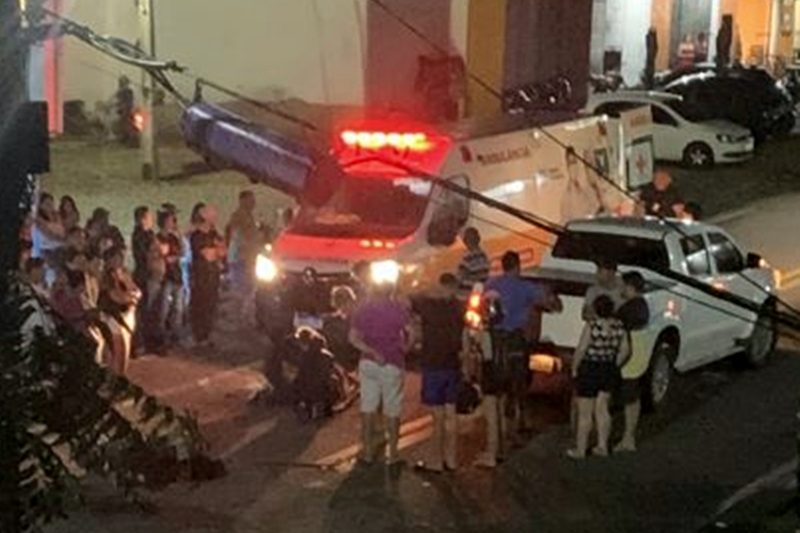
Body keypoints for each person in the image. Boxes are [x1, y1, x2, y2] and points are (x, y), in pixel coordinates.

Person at [476, 251, 562, 467]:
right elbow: (553, 305)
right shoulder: (526, 288)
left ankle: (498, 442)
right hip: (516, 342)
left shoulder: (490, 285)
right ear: (517, 266)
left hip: (494, 343)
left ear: (503, 265)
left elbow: (481, 311)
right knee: (515, 387)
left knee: (495, 394)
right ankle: (512, 431)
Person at [349, 278, 412, 466]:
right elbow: (411, 332)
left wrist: (371, 351)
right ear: (391, 291)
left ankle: (368, 452)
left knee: (368, 407)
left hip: (368, 362)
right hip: (392, 361)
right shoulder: (398, 309)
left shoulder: (363, 310)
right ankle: (392, 453)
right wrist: (406, 347)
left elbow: (353, 338)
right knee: (392, 408)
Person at [411, 273, 465, 472]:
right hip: (453, 363)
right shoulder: (459, 307)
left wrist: (429, 290)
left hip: (433, 363)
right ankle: (451, 459)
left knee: (437, 416)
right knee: (451, 414)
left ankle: (435, 461)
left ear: (440, 285)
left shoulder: (428, 305)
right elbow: (466, 335)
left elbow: (409, 298)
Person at [568, 295, 630, 459]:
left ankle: (580, 449)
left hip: (590, 368)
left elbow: (582, 349)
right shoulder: (619, 326)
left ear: (596, 309)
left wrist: (574, 368)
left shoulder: (592, 326)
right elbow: (625, 350)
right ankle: (602, 446)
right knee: (602, 409)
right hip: (608, 368)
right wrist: (615, 363)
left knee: (585, 412)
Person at [614, 271, 650, 453]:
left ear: (630, 287)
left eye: (622, 285)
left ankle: (628, 438)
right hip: (639, 358)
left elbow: (622, 336)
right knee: (633, 398)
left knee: (629, 399)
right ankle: (629, 435)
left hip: (629, 359)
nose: (620, 289)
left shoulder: (629, 309)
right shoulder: (642, 306)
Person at [190, 204, 226, 347]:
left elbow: (223, 251)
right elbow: (208, 255)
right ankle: (199, 337)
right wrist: (216, 250)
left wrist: (216, 250)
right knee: (201, 305)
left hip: (213, 276)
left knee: (211, 305)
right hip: (201, 277)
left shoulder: (214, 234)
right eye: (212, 214)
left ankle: (206, 335)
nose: (215, 217)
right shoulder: (196, 236)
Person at [226, 190, 260, 323]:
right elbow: (238, 237)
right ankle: (236, 319)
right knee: (240, 289)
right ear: (242, 201)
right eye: (251, 200)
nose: (254, 203)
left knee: (249, 288)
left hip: (248, 258)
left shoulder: (249, 216)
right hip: (240, 259)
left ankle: (243, 318)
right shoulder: (238, 216)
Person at [155, 207, 185, 348]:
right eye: (171, 219)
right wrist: (172, 257)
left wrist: (179, 234)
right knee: (163, 309)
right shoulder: (157, 238)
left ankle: (175, 336)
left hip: (177, 275)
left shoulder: (174, 238)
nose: (174, 222)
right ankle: (161, 337)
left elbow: (182, 252)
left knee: (178, 308)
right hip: (166, 276)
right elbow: (164, 257)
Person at [560, 147, 605, 224]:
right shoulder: (566, 197)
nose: (573, 166)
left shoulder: (584, 189)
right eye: (570, 163)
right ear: (567, 167)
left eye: (574, 162)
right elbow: (565, 221)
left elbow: (595, 208)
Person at [322, 285, 360, 373]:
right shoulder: (330, 321)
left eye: (348, 302)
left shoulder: (358, 319)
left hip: (355, 364)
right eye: (342, 303)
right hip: (338, 364)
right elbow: (330, 344)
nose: (346, 306)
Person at [32, 192, 65, 283]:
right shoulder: (38, 219)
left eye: (51, 203)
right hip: (44, 247)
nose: (50, 206)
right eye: (47, 204)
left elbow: (61, 233)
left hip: (56, 247)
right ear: (41, 206)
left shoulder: (56, 217)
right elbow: (49, 234)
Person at [457, 227, 490, 293]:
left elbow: (460, 277)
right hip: (476, 293)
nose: (471, 241)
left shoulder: (469, 257)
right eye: (470, 239)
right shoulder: (483, 255)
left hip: (469, 294)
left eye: (472, 239)